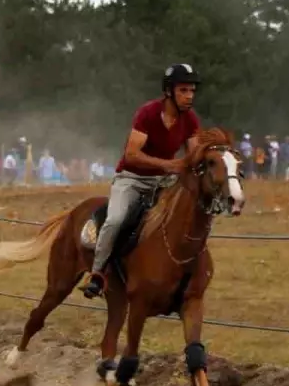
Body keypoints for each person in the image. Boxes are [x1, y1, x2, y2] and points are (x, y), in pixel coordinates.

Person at [82, 64, 202, 299]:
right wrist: (169, 165)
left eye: (192, 91)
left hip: (164, 182)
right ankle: (97, 273)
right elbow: (131, 155)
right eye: (184, 90)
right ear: (169, 91)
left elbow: (194, 156)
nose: (190, 96)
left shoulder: (190, 119)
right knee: (115, 220)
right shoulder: (147, 113)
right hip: (131, 178)